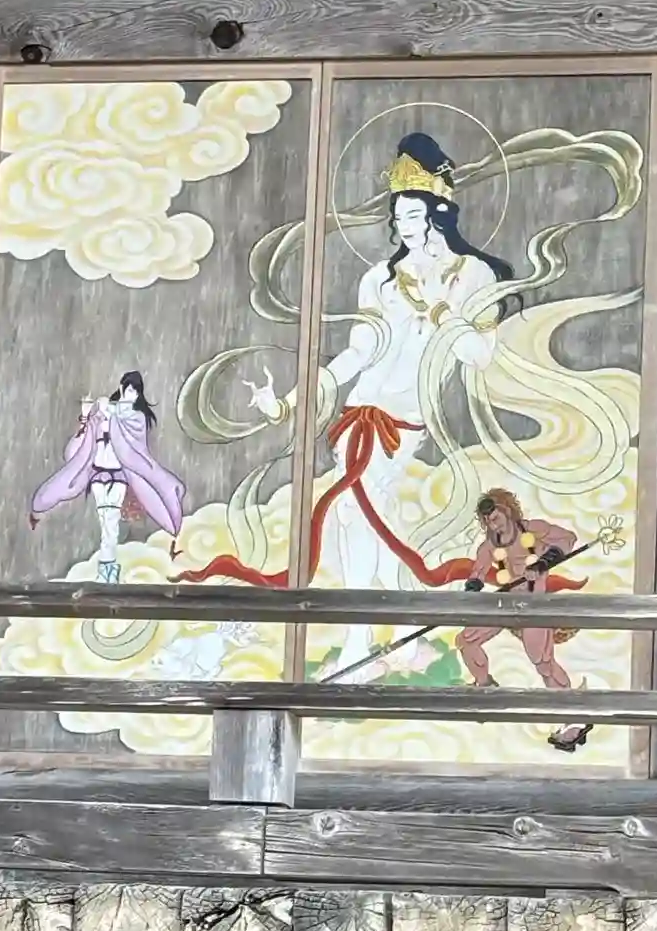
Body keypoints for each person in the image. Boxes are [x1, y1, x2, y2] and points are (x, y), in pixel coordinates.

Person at [183, 133, 516, 676]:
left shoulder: (472, 275)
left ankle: (364, 644)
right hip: (358, 412)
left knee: (361, 519)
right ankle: (400, 636)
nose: (404, 227)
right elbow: (358, 353)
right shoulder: (379, 280)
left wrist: (443, 315)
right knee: (360, 520)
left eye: (413, 215)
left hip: (406, 419)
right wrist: (290, 402)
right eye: (398, 217)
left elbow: (479, 355)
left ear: (438, 213)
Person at [459, 489, 590, 752]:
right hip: (506, 605)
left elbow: (568, 538)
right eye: (487, 521)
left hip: (534, 606)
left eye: (496, 517)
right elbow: (478, 572)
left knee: (543, 664)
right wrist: (472, 586)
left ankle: (574, 718)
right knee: (466, 640)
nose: (493, 524)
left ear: (507, 510)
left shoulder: (533, 530)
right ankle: (486, 688)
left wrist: (544, 562)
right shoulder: (489, 546)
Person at [29, 371, 185, 582]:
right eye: (128, 390)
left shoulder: (135, 417)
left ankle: (107, 573)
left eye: (135, 392)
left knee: (110, 525)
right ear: (121, 389)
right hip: (98, 475)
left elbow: (131, 443)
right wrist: (87, 415)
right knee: (106, 524)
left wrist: (108, 411)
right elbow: (82, 440)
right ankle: (108, 572)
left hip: (118, 476)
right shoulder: (102, 416)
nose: (131, 395)